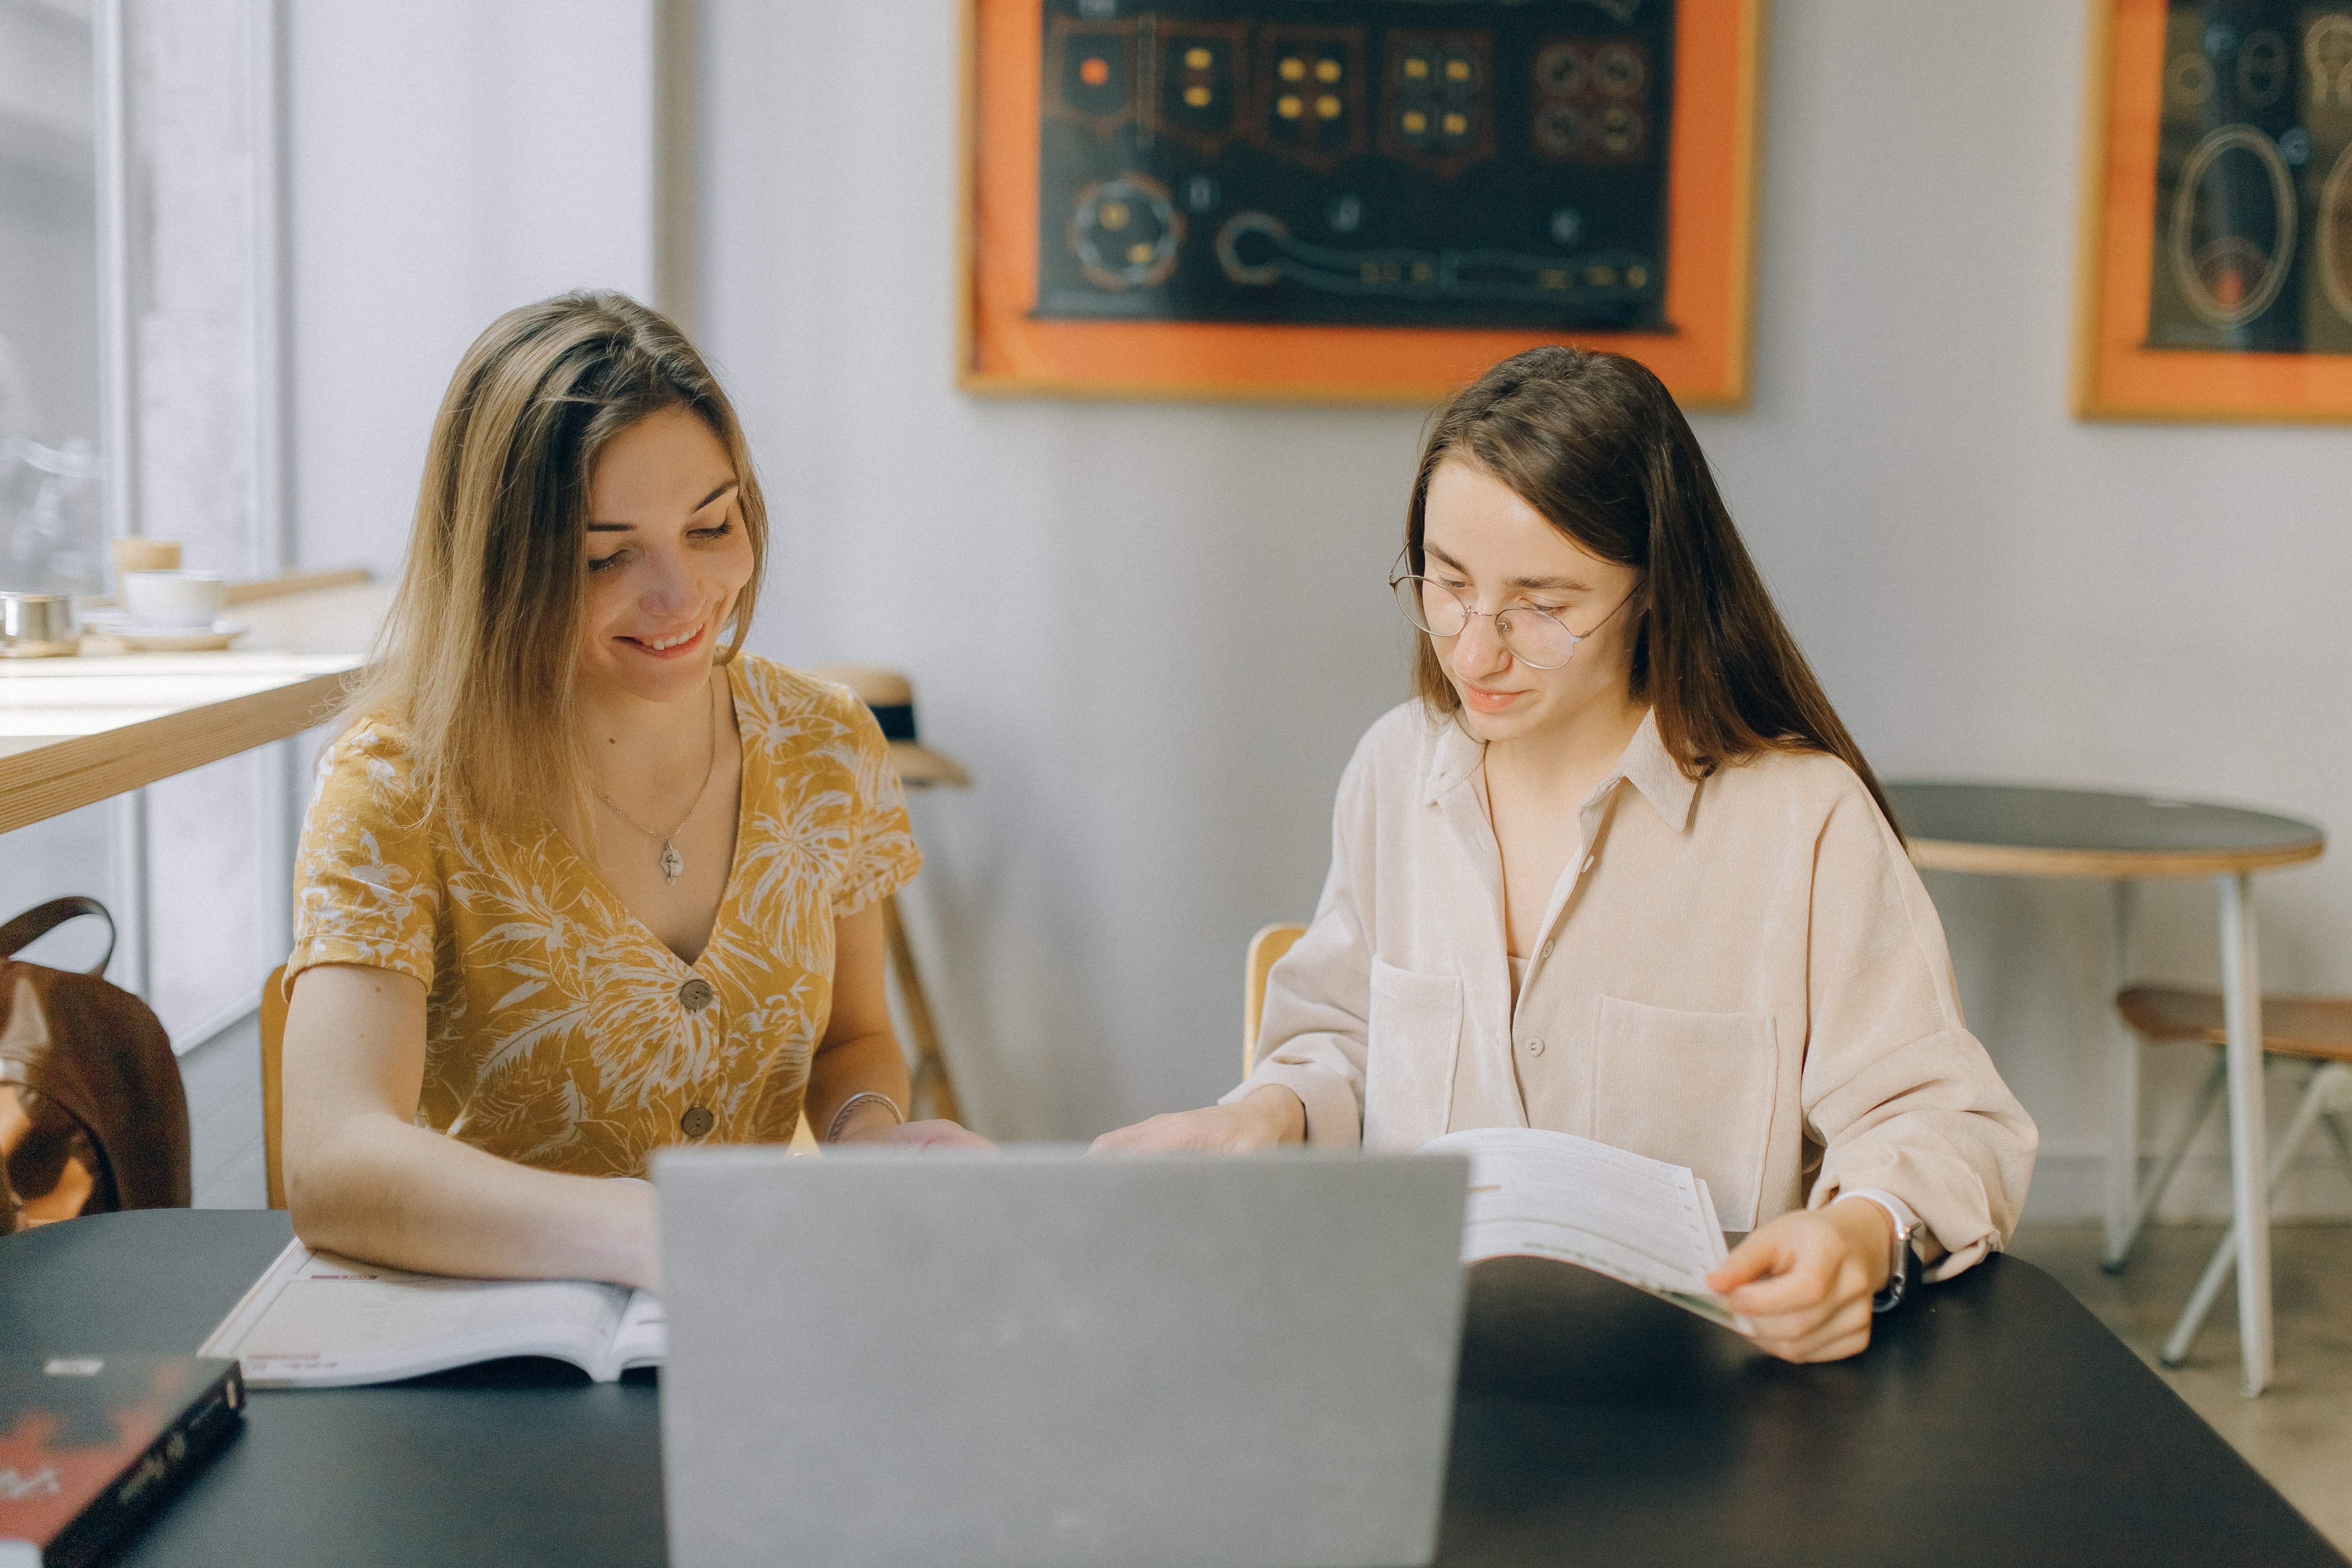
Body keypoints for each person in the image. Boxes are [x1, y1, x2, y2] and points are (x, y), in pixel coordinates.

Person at [1094, 346, 2036, 1363]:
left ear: (1656, 593)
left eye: (1543, 607)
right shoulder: (1394, 771)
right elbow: (1345, 1045)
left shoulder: (1800, 820)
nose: (1474, 651)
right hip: (1414, 1364)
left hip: (1695, 1410)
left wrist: (1858, 1235)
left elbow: (1946, 1120)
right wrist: (1272, 1115)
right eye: (1447, 584)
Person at [280, 292, 984, 1289]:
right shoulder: (400, 784)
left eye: (711, 526)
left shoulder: (826, 745)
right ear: (498, 567)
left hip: (732, 1310)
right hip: (499, 1347)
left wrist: (868, 1136)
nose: (682, 596)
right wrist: (650, 1238)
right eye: (608, 556)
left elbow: (855, 1041)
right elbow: (331, 1161)